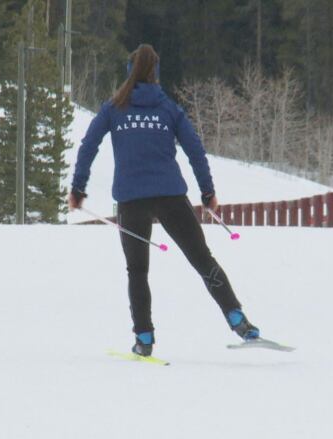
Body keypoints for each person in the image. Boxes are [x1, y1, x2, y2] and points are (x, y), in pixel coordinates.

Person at [68, 44, 260, 357]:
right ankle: (237, 318)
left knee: (137, 271)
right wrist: (207, 192)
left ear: (129, 73)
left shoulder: (113, 108)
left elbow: (88, 146)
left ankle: (144, 338)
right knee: (203, 259)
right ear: (156, 73)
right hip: (171, 195)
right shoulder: (168, 108)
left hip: (131, 200)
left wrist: (78, 189)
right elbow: (195, 150)